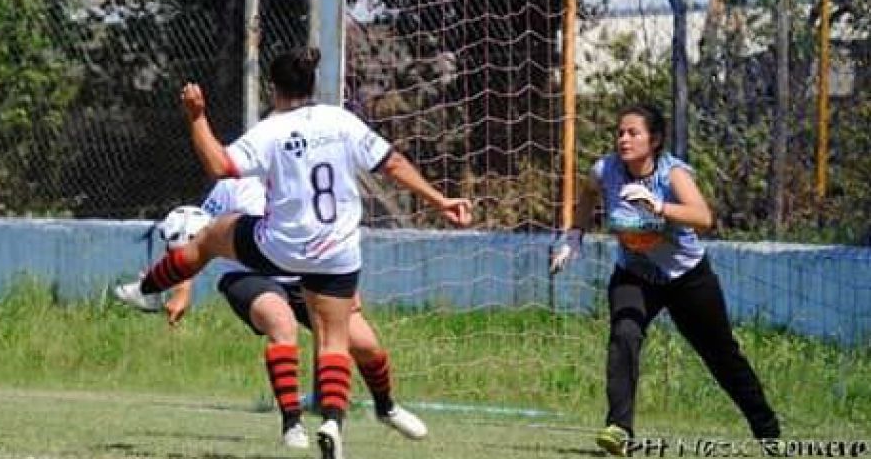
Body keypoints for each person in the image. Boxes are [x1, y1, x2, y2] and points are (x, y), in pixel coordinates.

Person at [114, 46, 472, 459]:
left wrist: (196, 117)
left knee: (211, 237)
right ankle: (330, 423)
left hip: (281, 247)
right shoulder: (340, 120)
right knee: (333, 343)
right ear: (311, 82)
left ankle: (148, 289)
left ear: (273, 87)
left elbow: (218, 165)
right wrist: (439, 200)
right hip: (335, 253)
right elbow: (391, 163)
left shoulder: (270, 131)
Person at [121, 176, 428, 449]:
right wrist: (182, 290)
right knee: (281, 324)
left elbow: (335, 235)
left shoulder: (310, 183)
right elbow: (197, 238)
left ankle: (385, 408)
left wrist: (347, 288)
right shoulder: (232, 185)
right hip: (248, 275)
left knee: (365, 345)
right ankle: (292, 423)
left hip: (305, 277)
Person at [549, 103, 780, 456]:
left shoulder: (672, 175)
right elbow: (588, 196)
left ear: (654, 140)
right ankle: (619, 430)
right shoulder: (605, 170)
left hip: (687, 278)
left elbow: (703, 217)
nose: (623, 139)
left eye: (633, 133)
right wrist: (575, 236)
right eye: (620, 132)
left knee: (721, 356)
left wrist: (659, 206)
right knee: (624, 332)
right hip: (635, 274)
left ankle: (769, 433)